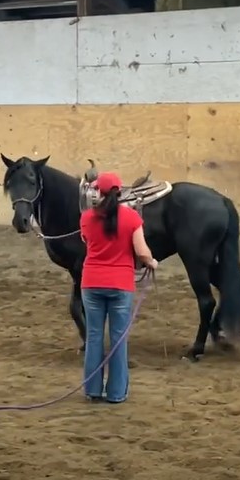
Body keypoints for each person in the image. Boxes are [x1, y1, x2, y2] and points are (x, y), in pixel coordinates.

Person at [79, 171, 157, 403]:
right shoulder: (132, 218)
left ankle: (92, 390)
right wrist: (151, 262)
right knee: (118, 339)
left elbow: (88, 241)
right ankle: (116, 393)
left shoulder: (86, 218)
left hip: (91, 282)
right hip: (120, 285)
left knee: (93, 337)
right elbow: (142, 252)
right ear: (120, 191)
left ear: (98, 192)